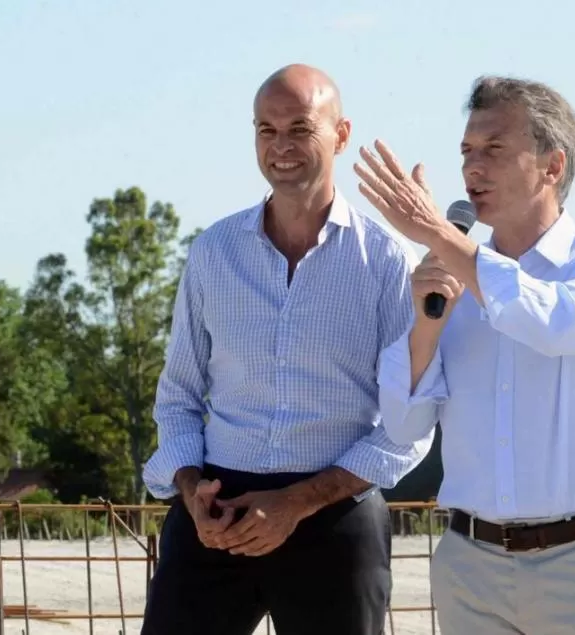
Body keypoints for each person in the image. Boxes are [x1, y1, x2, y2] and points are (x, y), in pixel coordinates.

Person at [353, 75, 575, 633]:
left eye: (494, 149)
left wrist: (444, 238)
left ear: (552, 166)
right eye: (467, 150)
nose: (472, 168)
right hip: (473, 570)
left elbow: (556, 322)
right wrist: (425, 323)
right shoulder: (446, 280)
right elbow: (403, 424)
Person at [139, 63, 430, 635]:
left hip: (335, 518)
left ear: (341, 135)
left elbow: (409, 425)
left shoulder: (388, 262)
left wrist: (297, 502)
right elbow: (177, 397)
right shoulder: (212, 252)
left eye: (300, 128)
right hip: (212, 518)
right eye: (266, 130)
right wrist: (191, 489)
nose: (281, 147)